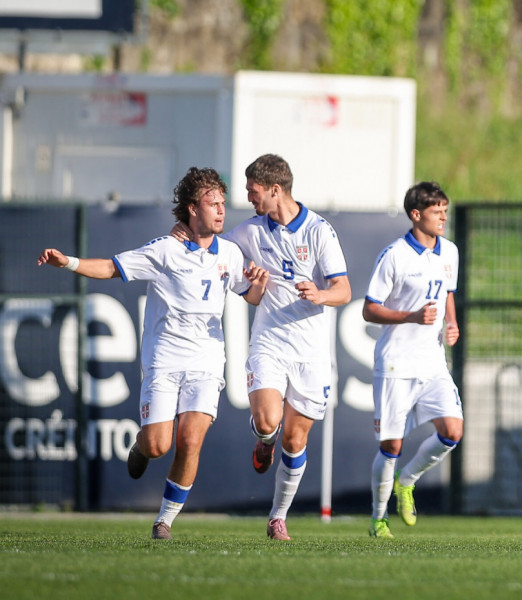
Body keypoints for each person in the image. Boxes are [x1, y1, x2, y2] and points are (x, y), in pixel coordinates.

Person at [37, 167, 268, 539]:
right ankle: (141, 448)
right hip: (164, 359)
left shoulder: (230, 252)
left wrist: (257, 286)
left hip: (207, 361)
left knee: (190, 440)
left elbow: (250, 295)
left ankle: (164, 521)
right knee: (159, 444)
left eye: (224, 203)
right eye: (213, 204)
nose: (222, 211)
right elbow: (113, 267)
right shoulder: (165, 249)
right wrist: (70, 262)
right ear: (193, 209)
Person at [173, 154, 351, 541]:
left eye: (254, 192)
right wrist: (183, 229)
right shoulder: (251, 231)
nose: (249, 199)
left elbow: (344, 290)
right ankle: (264, 440)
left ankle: (277, 516)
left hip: (311, 352)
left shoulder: (320, 231)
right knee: (270, 422)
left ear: (275, 189)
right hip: (269, 343)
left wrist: (320, 295)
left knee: (296, 439)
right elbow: (213, 245)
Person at [362, 182, 463, 539]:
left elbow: (447, 293)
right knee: (391, 445)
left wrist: (451, 323)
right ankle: (378, 520)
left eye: (445, 211)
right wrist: (410, 316)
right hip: (395, 363)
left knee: (452, 432)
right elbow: (369, 309)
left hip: (432, 361)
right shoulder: (394, 256)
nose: (443, 218)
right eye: (437, 212)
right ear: (416, 215)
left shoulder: (449, 251)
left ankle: (408, 482)